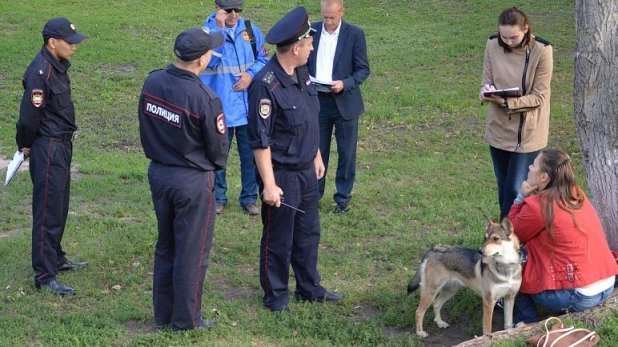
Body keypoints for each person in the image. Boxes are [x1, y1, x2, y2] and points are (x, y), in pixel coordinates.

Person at [247, 6, 343, 313]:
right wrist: (269, 185)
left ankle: (308, 287)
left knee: (307, 233)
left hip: (306, 172)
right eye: (309, 43)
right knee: (279, 238)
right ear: (296, 47)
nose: (313, 46)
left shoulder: (302, 74)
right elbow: (261, 141)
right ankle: (275, 295)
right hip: (282, 175)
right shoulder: (265, 85)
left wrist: (315, 153)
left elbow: (307, 119)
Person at [138, 28, 228, 330]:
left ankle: (163, 315)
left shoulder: (152, 81)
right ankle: (186, 321)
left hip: (159, 174)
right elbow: (218, 150)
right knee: (192, 252)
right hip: (191, 181)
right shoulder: (206, 98)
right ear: (202, 60)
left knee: (166, 246)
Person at [16, 17, 89, 296]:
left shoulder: (56, 66)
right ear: (52, 42)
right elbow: (28, 118)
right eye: (70, 43)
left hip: (61, 146)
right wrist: (24, 145)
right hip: (48, 148)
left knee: (59, 205)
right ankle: (45, 276)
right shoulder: (40, 72)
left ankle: (56, 258)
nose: (74, 47)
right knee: (47, 210)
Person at [508, 148, 618, 323]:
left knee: (511, 264)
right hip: (607, 283)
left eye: (533, 165)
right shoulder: (575, 192)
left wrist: (521, 197)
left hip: (579, 296)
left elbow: (511, 233)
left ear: (544, 177)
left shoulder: (538, 206)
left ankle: (525, 322)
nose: (529, 167)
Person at [479, 7, 553, 219]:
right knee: (503, 188)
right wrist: (485, 91)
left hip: (527, 133)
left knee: (516, 190)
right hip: (498, 129)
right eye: (504, 37)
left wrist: (506, 102)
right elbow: (487, 80)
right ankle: (509, 239)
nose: (508, 42)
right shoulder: (493, 44)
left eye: (513, 37)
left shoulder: (542, 50)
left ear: (526, 29)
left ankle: (507, 238)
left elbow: (539, 97)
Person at [200, 0, 269, 215]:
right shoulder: (206, 32)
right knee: (218, 156)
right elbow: (208, 64)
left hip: (246, 106)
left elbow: (264, 58)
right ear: (216, 7)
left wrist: (250, 75)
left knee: (250, 156)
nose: (233, 15)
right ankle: (218, 197)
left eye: (237, 10)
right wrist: (219, 32)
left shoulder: (250, 29)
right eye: (228, 10)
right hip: (220, 106)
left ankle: (248, 199)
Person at [307, 0, 370, 213]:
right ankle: (313, 195)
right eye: (325, 16)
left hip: (345, 102)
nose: (328, 21)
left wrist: (345, 84)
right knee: (316, 150)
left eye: (332, 17)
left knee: (346, 153)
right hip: (318, 101)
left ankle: (342, 198)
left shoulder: (354, 34)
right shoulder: (312, 31)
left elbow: (363, 70)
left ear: (342, 12)